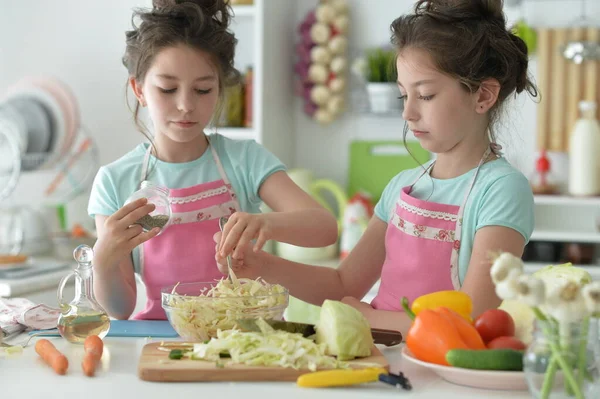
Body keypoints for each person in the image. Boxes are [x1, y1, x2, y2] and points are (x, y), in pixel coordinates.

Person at [214, 0, 538, 335]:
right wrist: (261, 265)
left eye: (425, 95)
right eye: (403, 96)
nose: (408, 113)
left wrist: (368, 318)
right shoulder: (403, 186)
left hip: (443, 375)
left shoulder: (501, 189)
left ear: (483, 95)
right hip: (378, 360)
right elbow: (344, 283)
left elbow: (471, 321)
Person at [87, 0, 338, 320]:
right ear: (139, 89)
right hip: (162, 342)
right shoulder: (115, 181)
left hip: (242, 338)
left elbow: (324, 228)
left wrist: (265, 223)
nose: (185, 105)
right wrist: (104, 258)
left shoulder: (245, 160)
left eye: (203, 90)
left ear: (219, 89)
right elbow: (119, 309)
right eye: (167, 89)